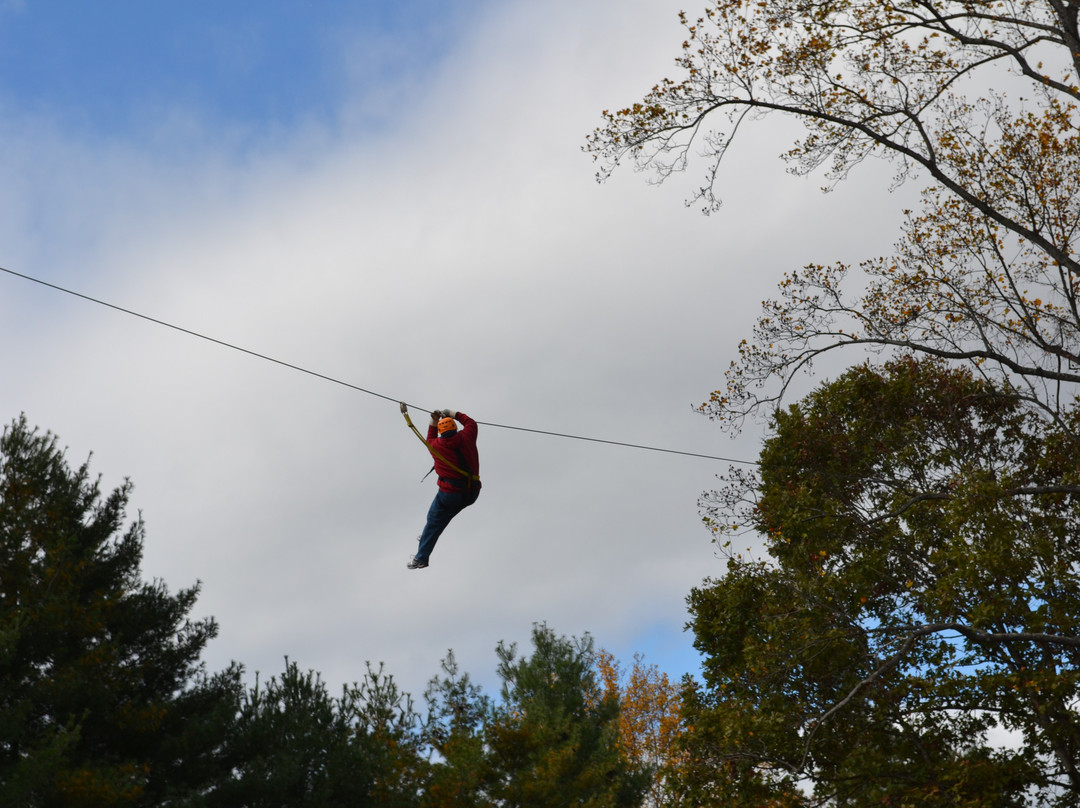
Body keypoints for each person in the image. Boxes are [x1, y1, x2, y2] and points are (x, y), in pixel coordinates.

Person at [408, 408, 481, 570]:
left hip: (450, 494)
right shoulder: (467, 436)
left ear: (441, 433)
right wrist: (452, 413)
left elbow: (430, 436)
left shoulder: (436, 446)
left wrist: (434, 419)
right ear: (455, 428)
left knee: (435, 522)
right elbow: (471, 423)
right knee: (438, 522)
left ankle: (421, 557)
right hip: (472, 492)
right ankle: (428, 535)